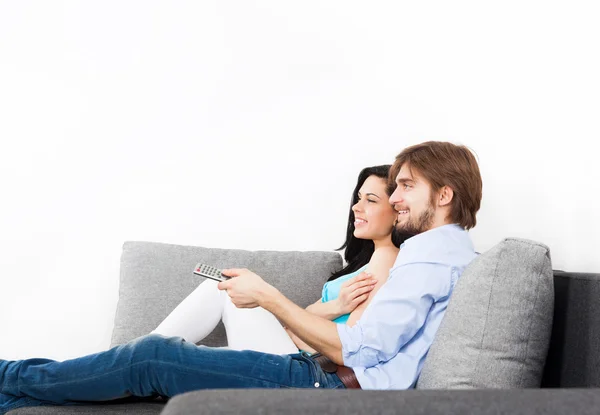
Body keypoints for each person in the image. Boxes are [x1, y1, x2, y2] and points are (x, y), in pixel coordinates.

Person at [0, 141, 483, 414]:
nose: (396, 198)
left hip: (327, 389)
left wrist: (270, 297)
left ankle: (7, 376)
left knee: (152, 356)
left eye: (404, 187)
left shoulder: (430, 258)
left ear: (443, 195)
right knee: (157, 358)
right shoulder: (441, 252)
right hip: (322, 379)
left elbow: (360, 350)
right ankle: (12, 391)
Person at [151, 165, 405, 355]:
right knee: (186, 346)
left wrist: (295, 332)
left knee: (223, 291)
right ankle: (133, 357)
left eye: (371, 200)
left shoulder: (386, 260)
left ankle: (131, 356)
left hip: (304, 364)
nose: (356, 207)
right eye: (359, 198)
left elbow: (350, 345)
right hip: (291, 348)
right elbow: (303, 318)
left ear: (398, 212)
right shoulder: (366, 263)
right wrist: (335, 306)